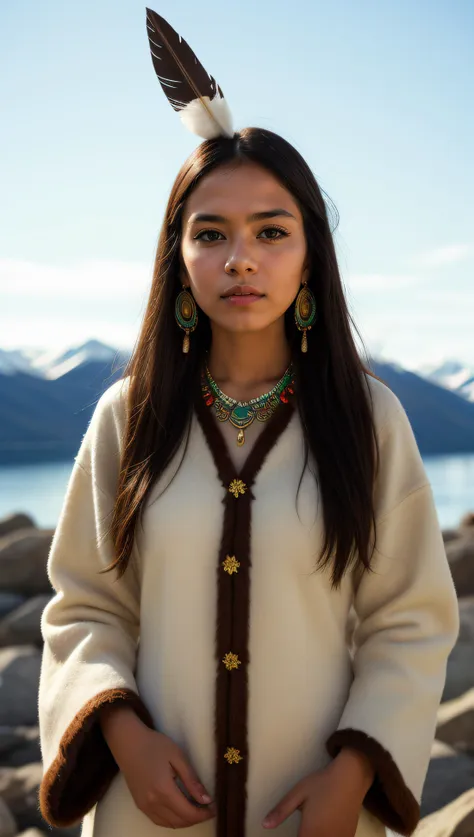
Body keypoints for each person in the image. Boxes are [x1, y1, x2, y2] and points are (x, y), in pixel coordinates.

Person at [37, 9, 460, 837]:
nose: (241, 259)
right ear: (178, 255)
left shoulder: (370, 421)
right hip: (150, 813)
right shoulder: (127, 417)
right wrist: (120, 735)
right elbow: (84, 603)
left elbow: (408, 618)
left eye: (272, 231)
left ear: (309, 256)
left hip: (315, 814)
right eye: (211, 233)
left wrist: (355, 771)